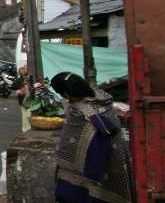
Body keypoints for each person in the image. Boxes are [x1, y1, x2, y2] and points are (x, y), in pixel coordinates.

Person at [50, 72, 134, 203]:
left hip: (96, 167)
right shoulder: (103, 98)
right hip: (116, 157)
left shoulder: (79, 111)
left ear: (66, 95)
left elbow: (70, 143)